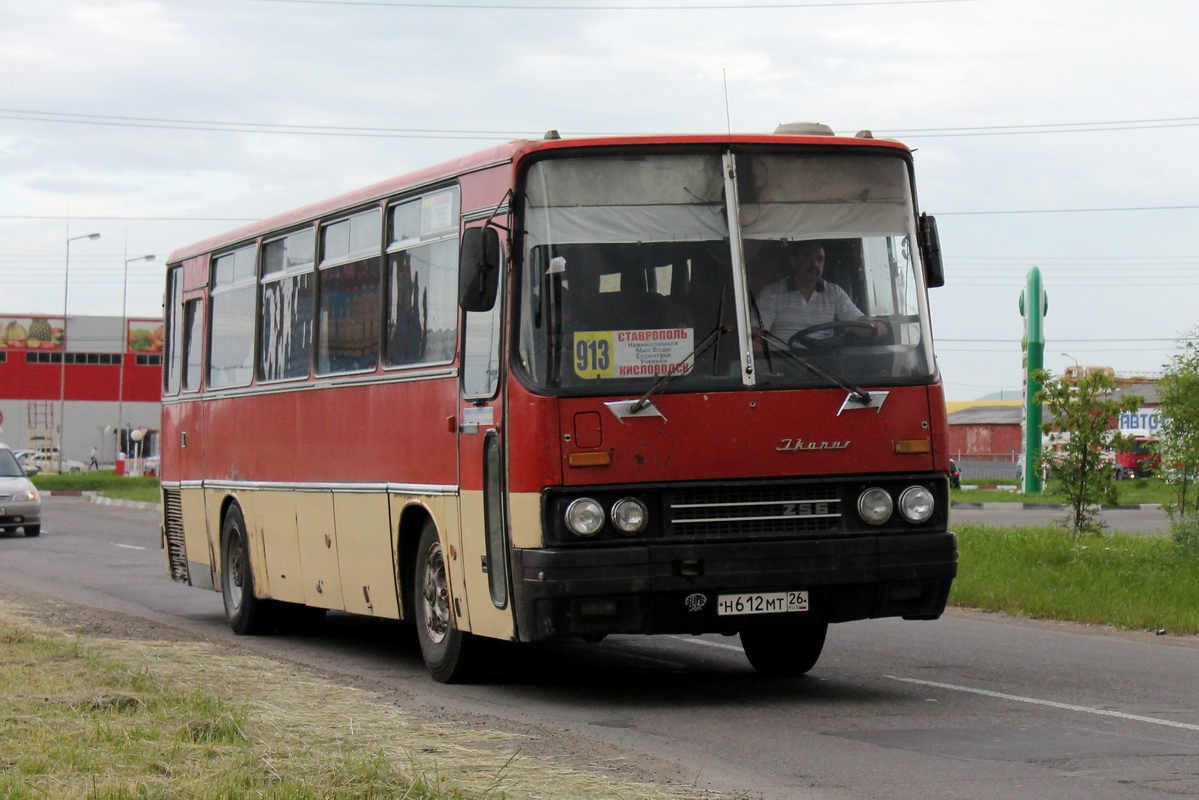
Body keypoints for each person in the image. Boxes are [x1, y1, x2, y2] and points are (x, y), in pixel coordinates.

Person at [754, 240, 883, 347]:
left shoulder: (834, 293)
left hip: (824, 367)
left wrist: (873, 327)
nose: (815, 264)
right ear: (793, 262)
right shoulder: (772, 293)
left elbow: (857, 321)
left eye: (819, 259)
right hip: (785, 367)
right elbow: (756, 336)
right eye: (808, 257)